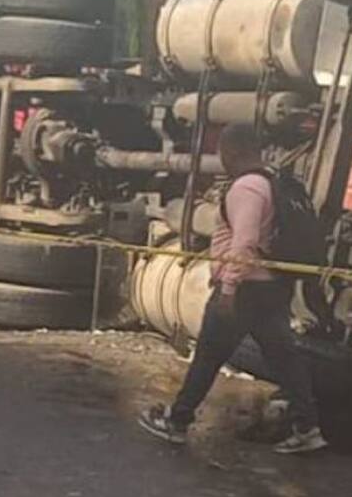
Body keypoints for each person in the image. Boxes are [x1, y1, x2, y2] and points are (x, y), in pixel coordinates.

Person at [139, 123, 327, 454]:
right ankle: (308, 426)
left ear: (234, 151)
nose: (220, 158)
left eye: (222, 151)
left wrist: (228, 289)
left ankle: (177, 421)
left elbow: (245, 242)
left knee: (208, 357)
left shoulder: (246, 188)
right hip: (269, 287)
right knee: (284, 359)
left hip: (244, 291)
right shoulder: (271, 182)